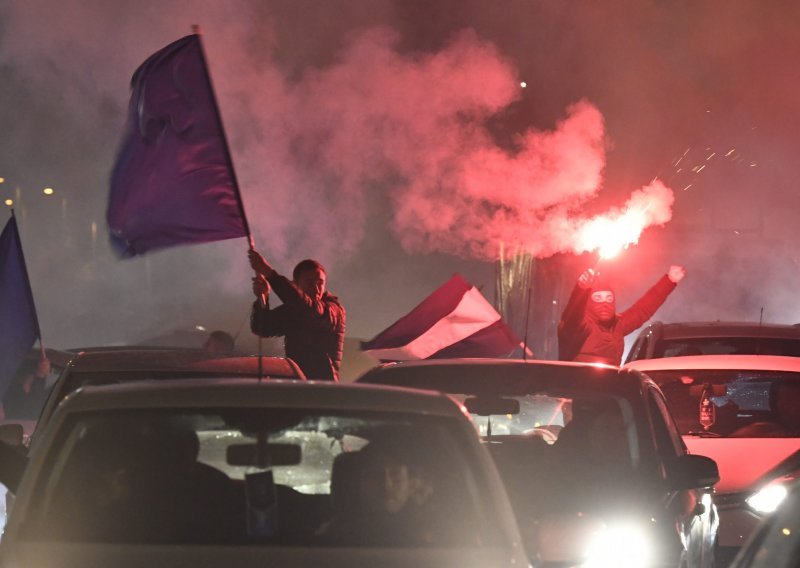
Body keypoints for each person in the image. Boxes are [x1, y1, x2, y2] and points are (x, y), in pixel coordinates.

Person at [558, 265, 686, 366]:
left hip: (607, 393)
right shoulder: (578, 326)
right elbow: (572, 313)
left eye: (609, 298)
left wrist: (669, 281)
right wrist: (581, 289)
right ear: (589, 302)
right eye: (598, 298)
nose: (604, 303)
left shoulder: (618, 324)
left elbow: (642, 310)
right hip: (576, 393)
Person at [248, 250, 346, 381]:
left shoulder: (334, 309)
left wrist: (269, 273)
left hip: (323, 388)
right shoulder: (297, 308)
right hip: (297, 383)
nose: (317, 289)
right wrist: (263, 299)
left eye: (320, 283)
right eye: (310, 282)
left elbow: (310, 309)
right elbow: (263, 327)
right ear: (296, 285)